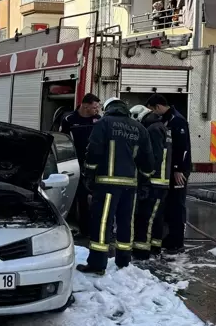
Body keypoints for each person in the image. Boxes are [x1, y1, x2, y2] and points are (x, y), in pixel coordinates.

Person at [77, 97, 154, 275]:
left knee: (102, 223)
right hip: (130, 186)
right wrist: (145, 180)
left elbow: (93, 151)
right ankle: (123, 261)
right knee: (126, 223)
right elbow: (148, 160)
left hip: (106, 184)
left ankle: (97, 264)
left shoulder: (104, 124)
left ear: (108, 108)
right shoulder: (139, 128)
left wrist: (89, 174)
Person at [146, 94, 191, 255]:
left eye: (152, 109)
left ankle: (177, 241)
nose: (152, 113)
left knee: (177, 205)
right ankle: (169, 238)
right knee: (169, 204)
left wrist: (178, 169)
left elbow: (182, 147)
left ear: (158, 106)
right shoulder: (166, 119)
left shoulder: (177, 120)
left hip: (178, 170)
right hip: (169, 169)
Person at [130, 105, 172, 260]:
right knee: (156, 217)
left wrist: (145, 179)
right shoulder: (162, 127)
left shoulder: (153, 130)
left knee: (145, 217)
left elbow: (153, 157)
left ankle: (142, 251)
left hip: (154, 181)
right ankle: (155, 246)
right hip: (162, 181)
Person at [60, 93, 102, 238]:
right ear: (85, 105)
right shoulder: (69, 120)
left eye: (98, 107)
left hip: (94, 164)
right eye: (94, 107)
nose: (97, 110)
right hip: (75, 164)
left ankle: (94, 228)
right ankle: (83, 229)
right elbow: (62, 141)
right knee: (80, 197)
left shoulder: (98, 120)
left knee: (95, 197)